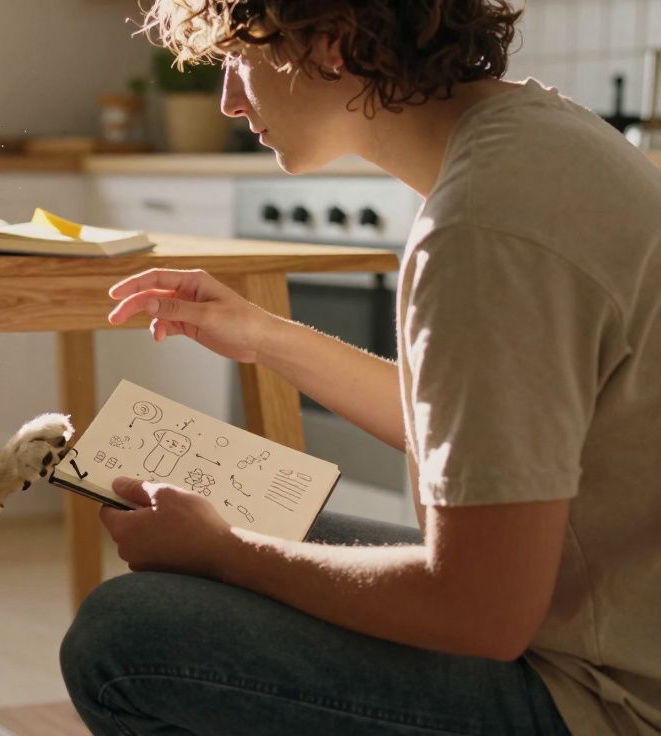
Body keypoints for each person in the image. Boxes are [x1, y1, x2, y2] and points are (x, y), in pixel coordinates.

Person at [59, 1, 661, 734]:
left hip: (603, 697)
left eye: (239, 58)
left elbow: (479, 612)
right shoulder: (536, 139)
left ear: (332, 44)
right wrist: (263, 336)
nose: (229, 101)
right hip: (593, 629)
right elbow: (481, 439)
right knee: (245, 528)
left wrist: (224, 554)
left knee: (125, 637)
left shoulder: (483, 225)